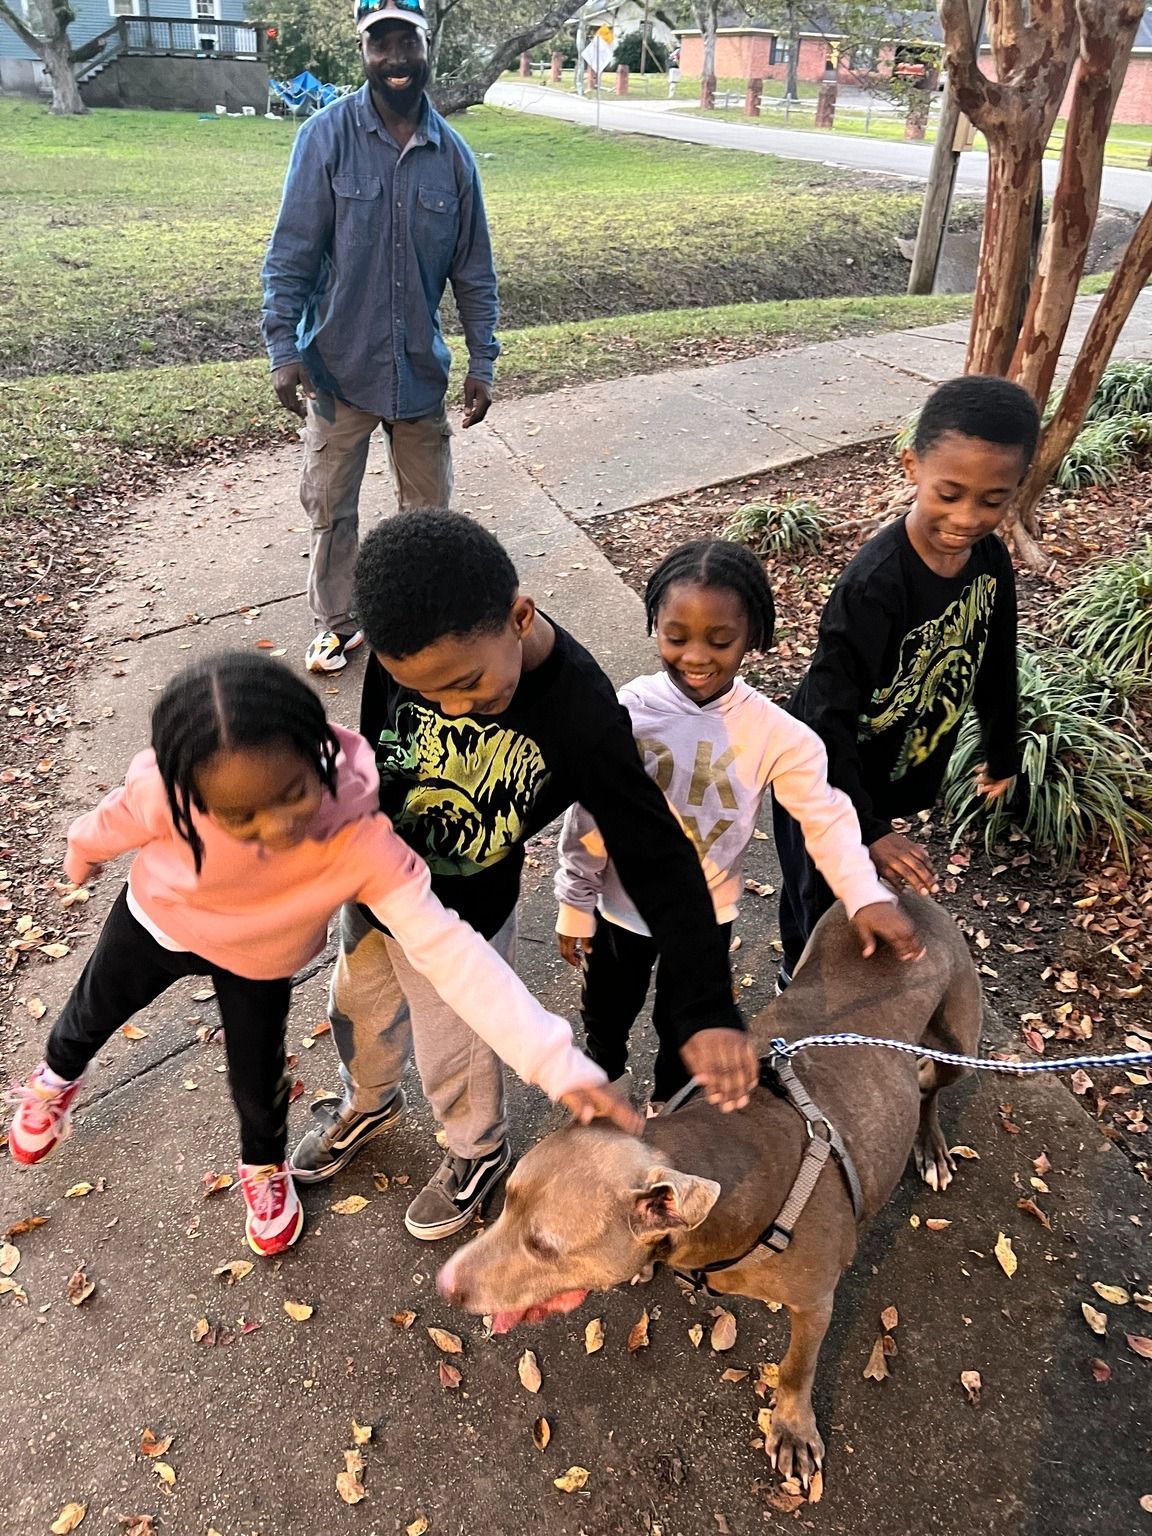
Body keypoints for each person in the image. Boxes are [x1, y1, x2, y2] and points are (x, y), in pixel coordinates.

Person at [4, 653, 635, 1259]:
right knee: (89, 1013)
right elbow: (112, 820)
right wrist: (81, 851)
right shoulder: (162, 789)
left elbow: (452, 952)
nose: (277, 828)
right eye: (238, 816)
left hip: (257, 961)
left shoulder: (360, 841)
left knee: (258, 1078)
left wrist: (557, 1062)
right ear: (186, 790)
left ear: (319, 751)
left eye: (293, 793)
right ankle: (56, 1080)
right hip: (157, 923)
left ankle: (264, 1166)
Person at [291, 509, 760, 1240]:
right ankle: (369, 1100)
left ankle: (476, 1153)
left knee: (460, 1058)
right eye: (425, 691)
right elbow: (374, 764)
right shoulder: (413, 655)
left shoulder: (582, 713)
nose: (450, 705)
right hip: (376, 895)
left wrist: (702, 1002)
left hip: (469, 922)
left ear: (519, 615)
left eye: (468, 684)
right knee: (359, 1017)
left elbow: (656, 852)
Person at [553, 538, 924, 1098]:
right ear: (654, 623)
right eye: (675, 637)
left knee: (686, 1026)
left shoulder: (778, 735)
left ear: (754, 635)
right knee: (607, 1009)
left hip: (705, 917)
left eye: (720, 640)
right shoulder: (626, 711)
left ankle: (674, 1108)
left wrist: (864, 893)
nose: (697, 656)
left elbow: (824, 815)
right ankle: (607, 1076)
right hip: (619, 909)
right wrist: (575, 900)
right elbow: (590, 816)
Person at [774, 374, 1041, 985]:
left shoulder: (991, 561)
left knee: (865, 897)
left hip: (888, 765)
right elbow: (825, 720)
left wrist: (1002, 752)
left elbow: (994, 660)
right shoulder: (875, 585)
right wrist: (864, 830)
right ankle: (802, 997)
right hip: (821, 778)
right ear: (912, 466)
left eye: (993, 500)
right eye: (949, 492)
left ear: (1016, 489)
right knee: (819, 903)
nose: (968, 517)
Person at [261, 0, 500, 676]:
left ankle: (416, 626)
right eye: (380, 44)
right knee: (332, 511)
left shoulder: (453, 158)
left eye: (407, 42)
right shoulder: (325, 138)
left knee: (428, 518)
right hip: (337, 370)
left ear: (428, 46)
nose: (395, 59)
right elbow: (291, 255)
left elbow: (474, 273)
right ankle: (337, 624)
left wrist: (483, 360)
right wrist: (283, 348)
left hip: (419, 373)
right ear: (364, 53)